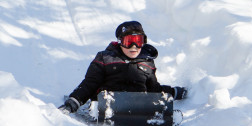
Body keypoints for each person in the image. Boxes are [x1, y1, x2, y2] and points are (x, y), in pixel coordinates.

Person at [59, 21, 187, 114]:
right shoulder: (105, 58)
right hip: (108, 105)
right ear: (120, 42)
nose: (134, 47)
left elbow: (154, 89)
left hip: (136, 108)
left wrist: (174, 92)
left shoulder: (146, 63)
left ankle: (154, 118)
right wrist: (73, 102)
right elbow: (89, 84)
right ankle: (93, 110)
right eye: (128, 42)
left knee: (152, 100)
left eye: (138, 41)